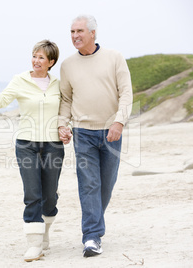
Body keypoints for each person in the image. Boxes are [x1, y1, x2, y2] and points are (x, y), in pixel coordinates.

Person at [0, 40, 67, 262]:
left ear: (51, 62)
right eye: (34, 56)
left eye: (41, 58)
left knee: (50, 196)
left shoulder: (58, 83)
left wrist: (66, 128)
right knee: (32, 194)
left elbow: (66, 110)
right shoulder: (20, 80)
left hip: (53, 144)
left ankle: (44, 235)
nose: (36, 61)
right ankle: (33, 245)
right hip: (27, 144)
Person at [58, 15, 133, 257]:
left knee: (106, 185)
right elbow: (66, 99)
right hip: (83, 133)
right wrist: (62, 124)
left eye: (79, 31)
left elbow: (126, 93)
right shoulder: (68, 65)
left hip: (112, 132)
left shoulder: (114, 58)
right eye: (71, 31)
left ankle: (94, 227)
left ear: (93, 33)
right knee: (89, 184)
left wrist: (119, 121)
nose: (75, 36)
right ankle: (91, 237)